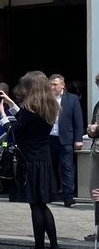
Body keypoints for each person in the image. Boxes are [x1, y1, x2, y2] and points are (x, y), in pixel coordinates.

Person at [0, 70, 61, 249]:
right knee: (42, 205)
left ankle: (39, 248)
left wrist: (2, 114)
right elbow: (26, 119)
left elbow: (15, 130)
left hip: (30, 161)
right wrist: (11, 104)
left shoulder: (32, 109)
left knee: (36, 206)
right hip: (43, 160)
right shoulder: (49, 105)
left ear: (31, 87)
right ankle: (54, 248)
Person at [48, 74, 83, 206]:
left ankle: (68, 196)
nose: (52, 87)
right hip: (49, 138)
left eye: (55, 84)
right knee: (50, 168)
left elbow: (78, 120)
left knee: (66, 168)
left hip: (66, 139)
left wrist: (78, 139)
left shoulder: (72, 99)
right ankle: (51, 194)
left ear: (63, 85)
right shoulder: (47, 99)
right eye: (51, 84)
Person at [85, 72, 99, 241]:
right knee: (94, 190)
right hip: (97, 152)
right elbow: (92, 126)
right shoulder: (97, 105)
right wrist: (90, 130)